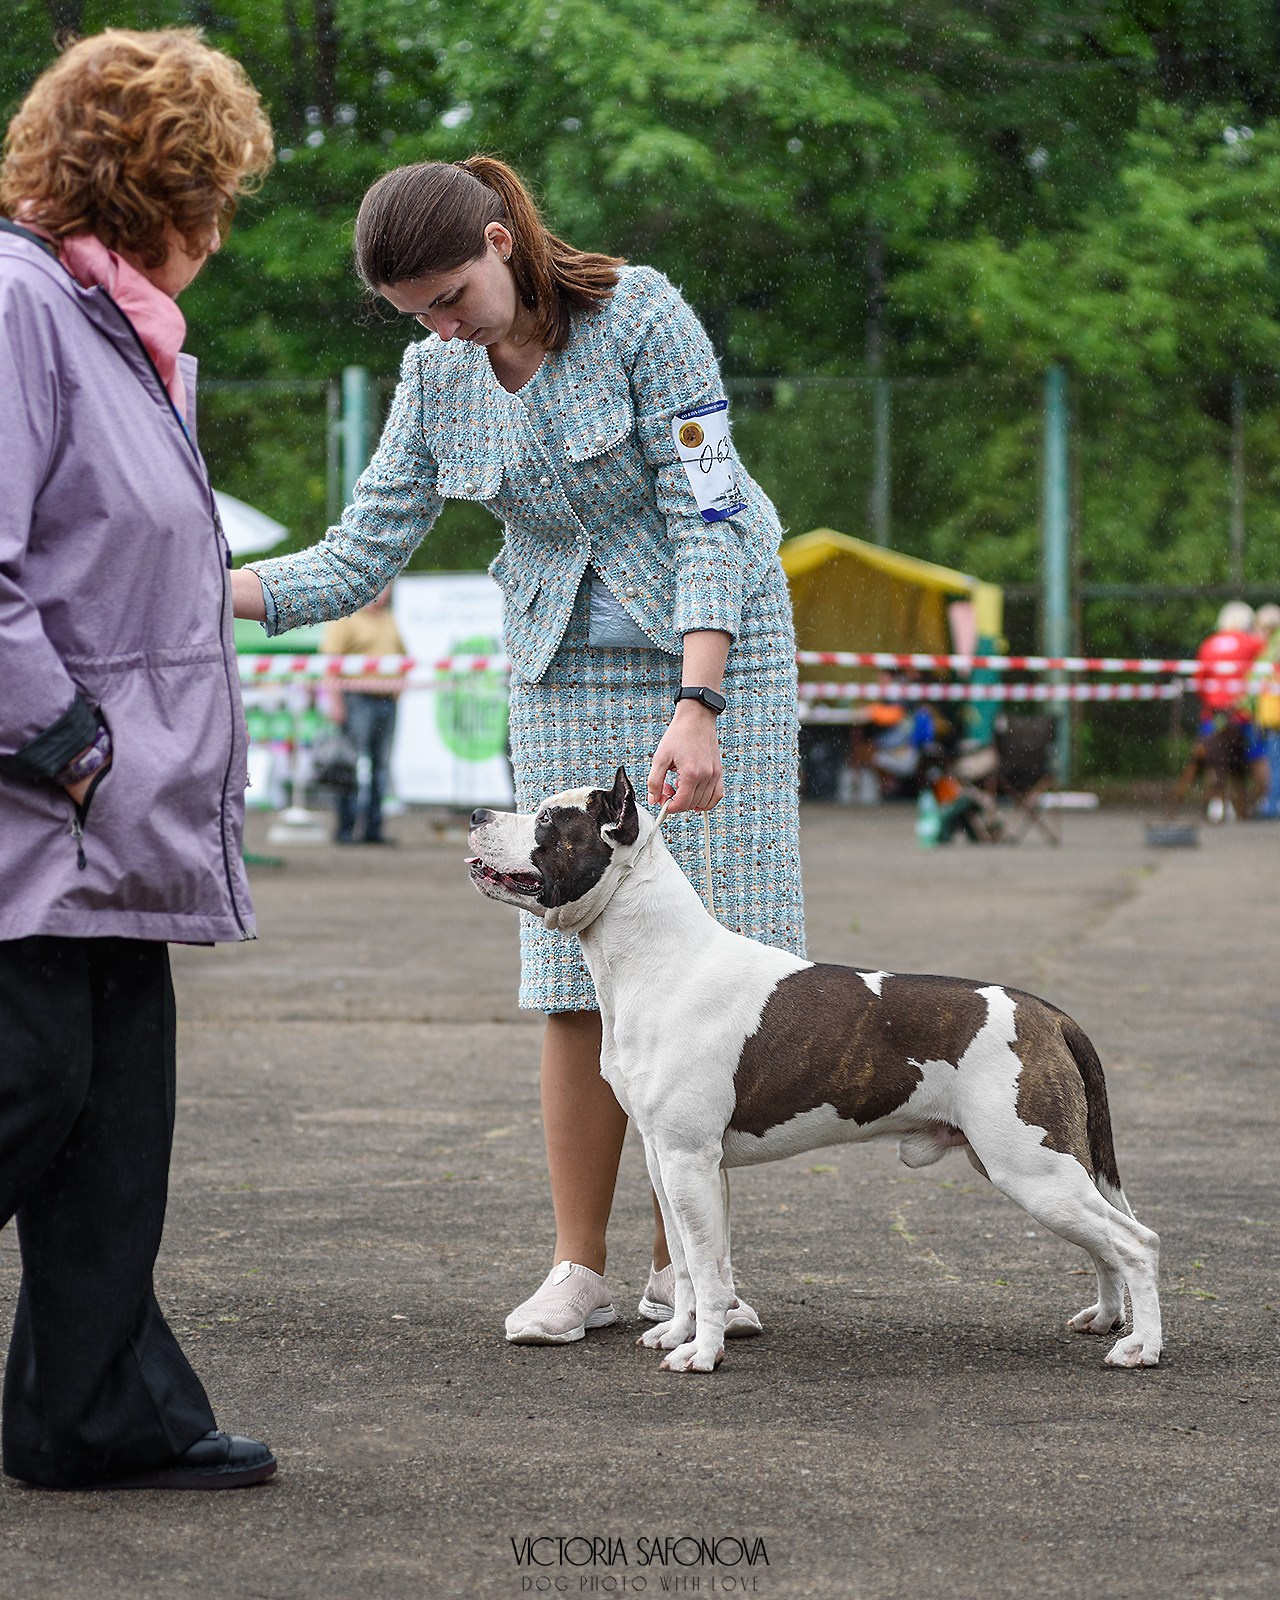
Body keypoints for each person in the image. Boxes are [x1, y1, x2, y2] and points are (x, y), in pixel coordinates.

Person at [233, 156, 806, 1344]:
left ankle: (681, 1274)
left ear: (501, 242)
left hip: (713, 652)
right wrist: (208, 586)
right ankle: (577, 1267)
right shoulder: (436, 375)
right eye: (414, 314)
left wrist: (697, 700)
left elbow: (707, 505)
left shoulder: (642, 315)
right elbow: (358, 550)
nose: (442, 326)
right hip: (562, 671)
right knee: (569, 972)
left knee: (710, 967)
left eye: (449, 295)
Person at [0, 29, 277, 1488]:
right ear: (149, 189)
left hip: (117, 816)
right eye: (210, 192)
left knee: (113, 1136)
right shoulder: (16, 308)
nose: (221, 230)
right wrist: (62, 743)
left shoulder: (122, 330)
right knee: (26, 1095)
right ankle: (91, 1408)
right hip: (41, 803)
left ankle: (92, 1416)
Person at [320, 585, 406, 843]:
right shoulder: (346, 619)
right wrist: (336, 703)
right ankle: (345, 828)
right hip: (357, 699)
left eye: (388, 587)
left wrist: (398, 687)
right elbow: (330, 665)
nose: (385, 593)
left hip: (386, 703)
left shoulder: (388, 619)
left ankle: (372, 829)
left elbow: (403, 658)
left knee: (380, 768)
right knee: (350, 766)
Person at [1249, 603, 1280, 818]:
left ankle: (1272, 804)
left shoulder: (1272, 648)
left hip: (1274, 715)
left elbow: (1255, 679)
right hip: (1272, 714)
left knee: (1274, 761)